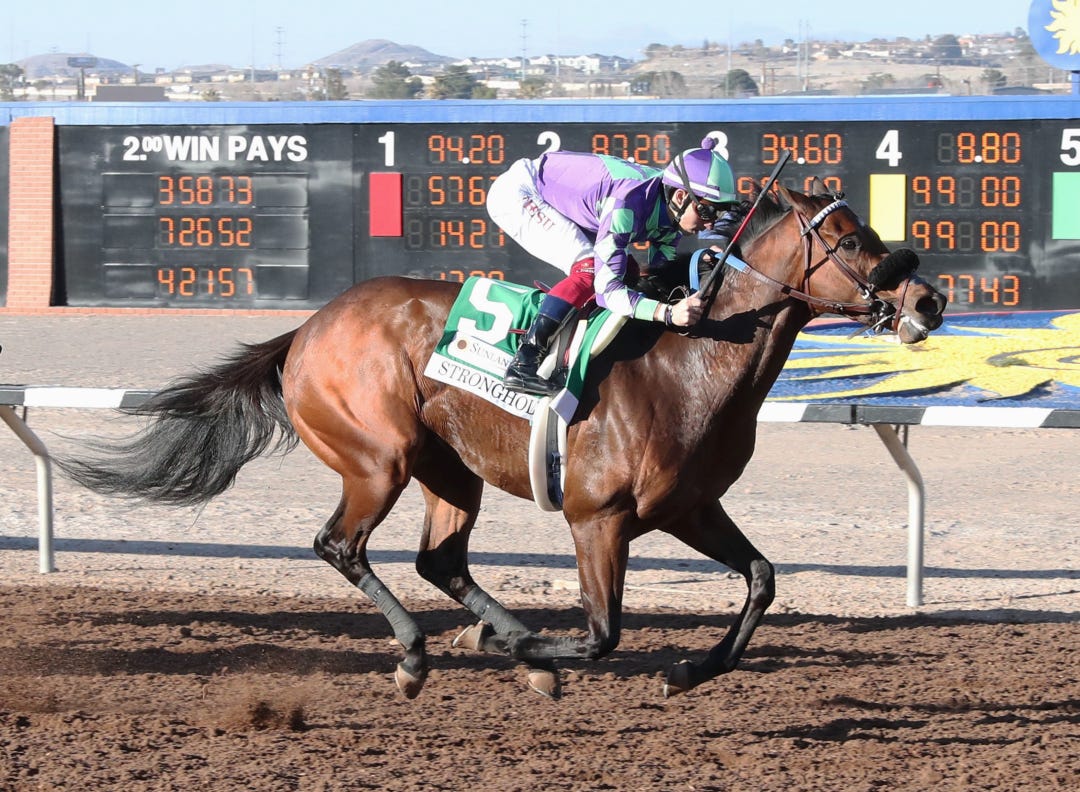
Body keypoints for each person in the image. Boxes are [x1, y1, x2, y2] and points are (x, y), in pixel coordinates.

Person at [486, 136, 741, 396]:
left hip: (566, 201)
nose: (710, 224)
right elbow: (607, 291)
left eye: (719, 214)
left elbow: (659, 279)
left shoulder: (671, 219)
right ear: (679, 197)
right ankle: (525, 360)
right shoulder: (627, 203)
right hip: (520, 194)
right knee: (591, 271)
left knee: (629, 273)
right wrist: (666, 313)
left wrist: (698, 267)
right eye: (707, 212)